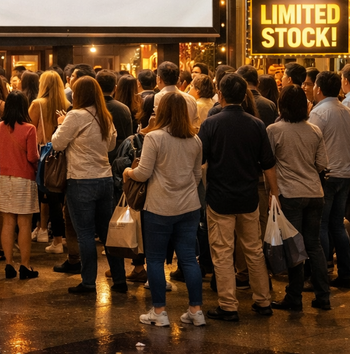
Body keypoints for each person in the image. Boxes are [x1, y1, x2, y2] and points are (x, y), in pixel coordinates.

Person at [198, 72, 279, 322]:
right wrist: (274, 193)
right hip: (249, 197)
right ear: (244, 95)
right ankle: (263, 301)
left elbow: (199, 160)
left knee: (222, 252)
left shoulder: (211, 124)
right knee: (253, 250)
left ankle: (228, 305)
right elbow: (268, 164)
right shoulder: (256, 124)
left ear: (220, 95)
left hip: (220, 197)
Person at [124, 93, 205, 328]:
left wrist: (128, 173)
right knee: (189, 258)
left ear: (162, 112)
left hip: (159, 208)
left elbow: (143, 173)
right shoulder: (195, 140)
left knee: (156, 259)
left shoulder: (155, 138)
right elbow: (197, 176)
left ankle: (159, 311)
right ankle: (196, 310)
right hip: (189, 207)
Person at [51, 75, 126, 295]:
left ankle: (88, 282)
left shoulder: (75, 116)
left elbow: (57, 143)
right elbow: (111, 145)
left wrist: (60, 125)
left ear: (79, 94)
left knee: (84, 233)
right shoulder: (105, 116)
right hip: (104, 178)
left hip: (81, 179)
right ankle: (119, 280)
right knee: (107, 233)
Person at [267, 86, 331, 312]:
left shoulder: (274, 130)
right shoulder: (314, 130)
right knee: (314, 246)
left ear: (281, 105)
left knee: (294, 247)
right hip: (314, 193)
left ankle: (294, 297)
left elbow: (268, 163)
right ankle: (323, 297)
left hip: (290, 194)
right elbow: (322, 163)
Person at [309, 70, 350, 290]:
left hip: (326, 175)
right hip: (346, 174)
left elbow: (311, 145)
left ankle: (322, 274)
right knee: (337, 225)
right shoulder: (348, 112)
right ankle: (347, 274)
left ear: (318, 88)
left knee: (320, 225)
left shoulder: (319, 114)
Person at [0, 90, 40, 279]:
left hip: (5, 178)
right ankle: (25, 265)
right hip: (24, 179)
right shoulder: (30, 128)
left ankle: (8, 264)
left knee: (7, 223)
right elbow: (32, 156)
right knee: (24, 224)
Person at [28, 70, 71, 252]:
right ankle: (56, 234)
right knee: (58, 198)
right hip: (62, 153)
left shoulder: (37, 104)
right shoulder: (67, 105)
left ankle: (46, 231)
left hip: (42, 152)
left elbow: (30, 130)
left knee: (43, 195)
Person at [96, 70, 132, 160]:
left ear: (96, 87)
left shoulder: (90, 108)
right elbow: (129, 136)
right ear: (115, 88)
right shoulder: (123, 108)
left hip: (95, 156)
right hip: (118, 157)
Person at [154, 62, 199, 127]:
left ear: (159, 79)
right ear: (178, 79)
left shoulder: (157, 98)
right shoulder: (191, 99)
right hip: (187, 136)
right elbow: (195, 125)